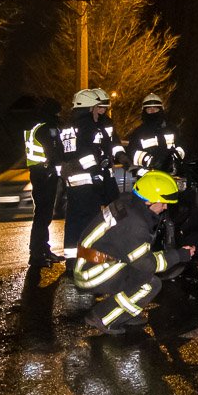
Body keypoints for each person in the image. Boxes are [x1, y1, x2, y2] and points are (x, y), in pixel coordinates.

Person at [75, 170, 196, 335]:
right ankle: (103, 316)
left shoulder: (128, 203)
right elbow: (147, 263)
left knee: (136, 272)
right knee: (150, 283)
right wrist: (180, 255)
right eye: (163, 202)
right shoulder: (135, 223)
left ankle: (125, 312)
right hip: (92, 271)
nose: (165, 207)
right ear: (149, 201)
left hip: (91, 261)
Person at [59, 89, 121, 271]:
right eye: (97, 107)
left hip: (76, 179)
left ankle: (74, 260)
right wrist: (96, 171)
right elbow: (83, 153)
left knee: (76, 220)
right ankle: (89, 259)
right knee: (89, 220)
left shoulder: (71, 125)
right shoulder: (85, 126)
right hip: (85, 179)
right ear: (88, 107)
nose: (101, 111)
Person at [23, 97, 64, 268]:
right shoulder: (48, 128)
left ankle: (42, 250)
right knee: (43, 215)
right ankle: (37, 254)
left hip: (38, 172)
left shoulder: (36, 126)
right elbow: (55, 152)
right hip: (46, 174)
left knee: (42, 214)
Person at [127, 93, 185, 175]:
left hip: (172, 173)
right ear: (144, 111)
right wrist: (149, 160)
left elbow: (182, 146)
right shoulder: (139, 132)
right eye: (149, 109)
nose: (152, 111)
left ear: (161, 109)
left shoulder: (172, 129)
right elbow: (132, 152)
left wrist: (173, 159)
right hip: (148, 175)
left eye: (155, 108)